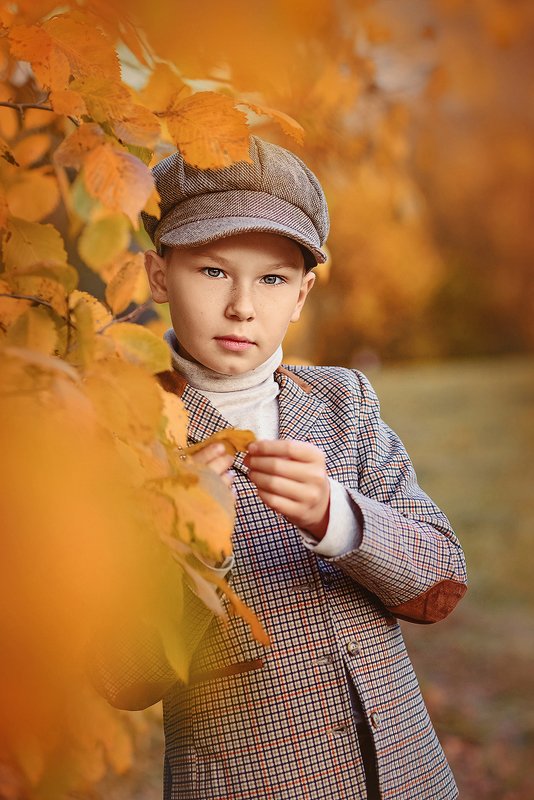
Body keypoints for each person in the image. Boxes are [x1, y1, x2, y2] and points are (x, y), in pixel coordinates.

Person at [91, 135, 467, 799]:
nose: (242, 306)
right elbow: (125, 675)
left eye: (272, 278)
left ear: (301, 294)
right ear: (158, 275)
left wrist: (339, 517)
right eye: (213, 271)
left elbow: (441, 581)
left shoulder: (343, 400)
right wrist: (195, 549)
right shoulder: (127, 432)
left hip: (407, 779)